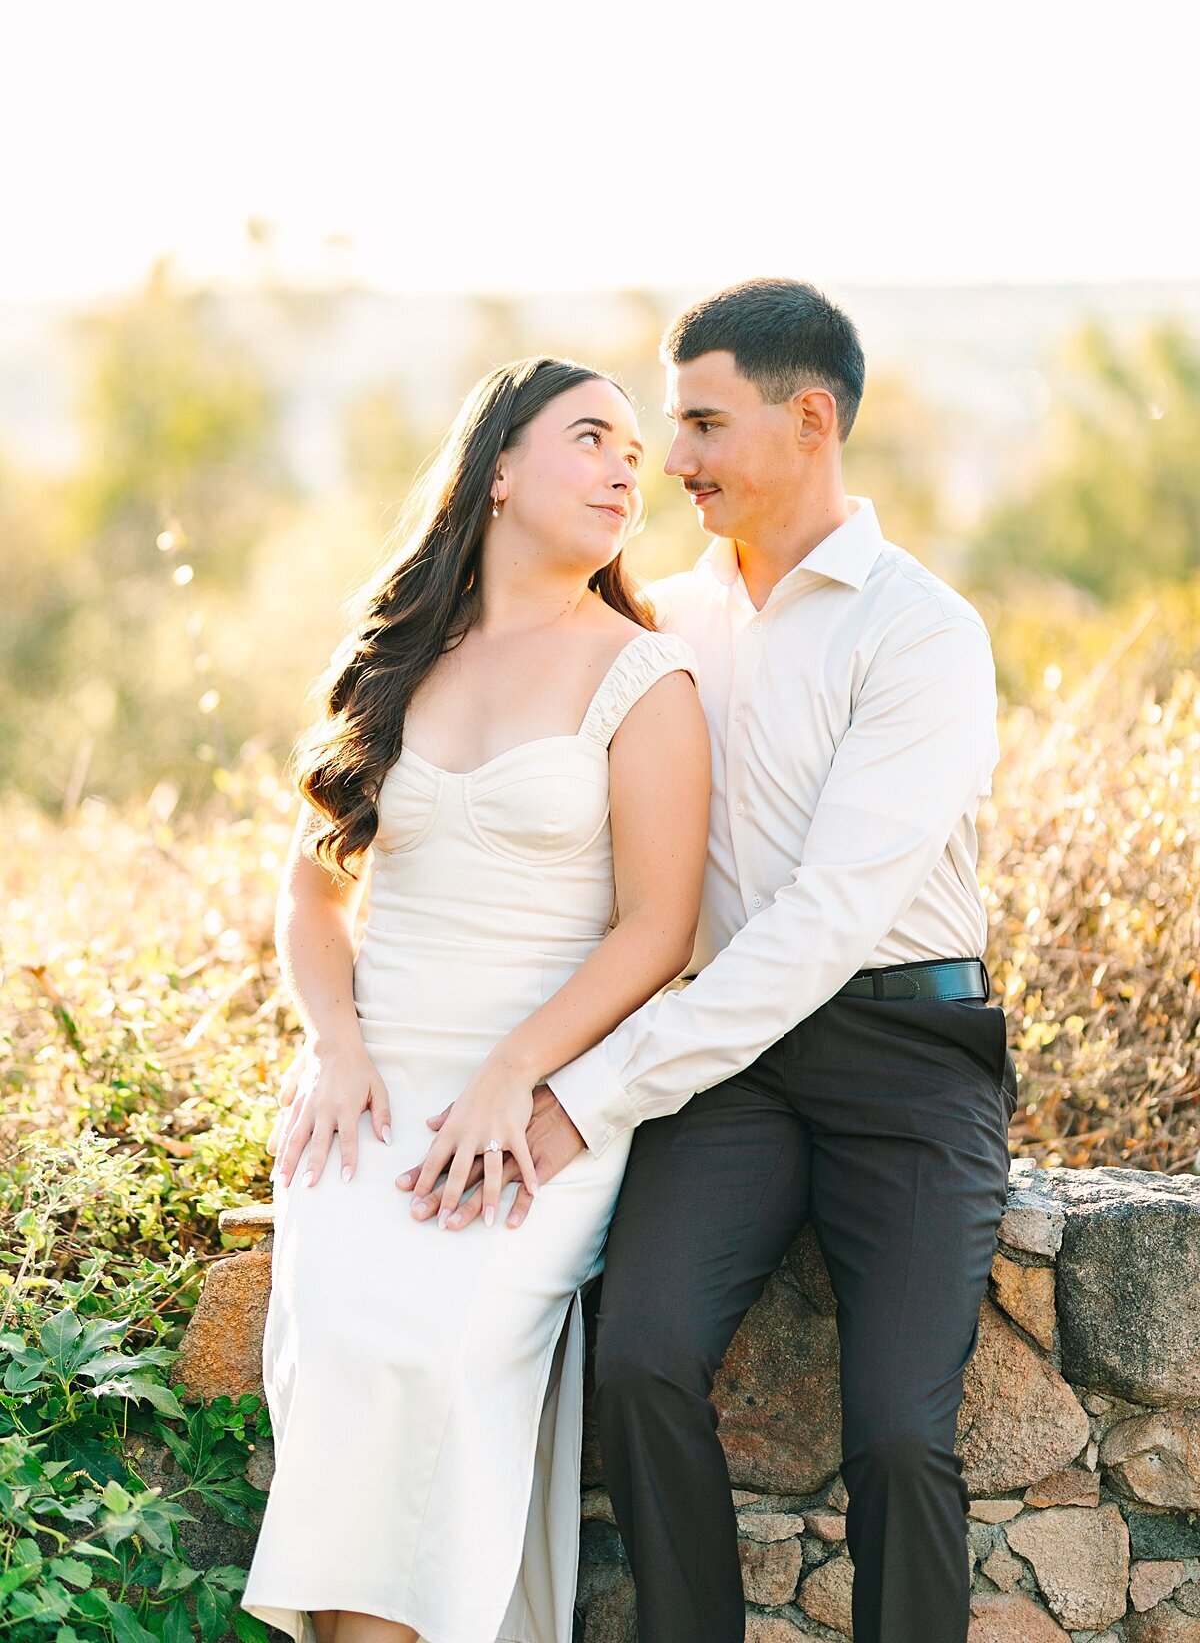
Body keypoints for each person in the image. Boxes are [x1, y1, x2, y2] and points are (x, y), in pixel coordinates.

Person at [406, 281, 1019, 1643]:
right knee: (637, 1365)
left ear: (812, 420)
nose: (665, 461)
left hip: (908, 1066)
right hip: (729, 1075)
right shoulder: (662, 624)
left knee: (904, 1439)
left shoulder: (920, 634)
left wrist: (590, 1093)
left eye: (699, 423)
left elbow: (821, 925)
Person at [240, 355, 710, 1643]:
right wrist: (333, 1049)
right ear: (497, 468)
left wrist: (518, 1075)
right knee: (342, 1350)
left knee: (444, 1358)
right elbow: (314, 897)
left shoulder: (646, 681)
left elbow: (659, 930)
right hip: (373, 1090)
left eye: (638, 448)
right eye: (591, 437)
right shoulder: (391, 661)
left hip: (537, 1109)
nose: (629, 467)